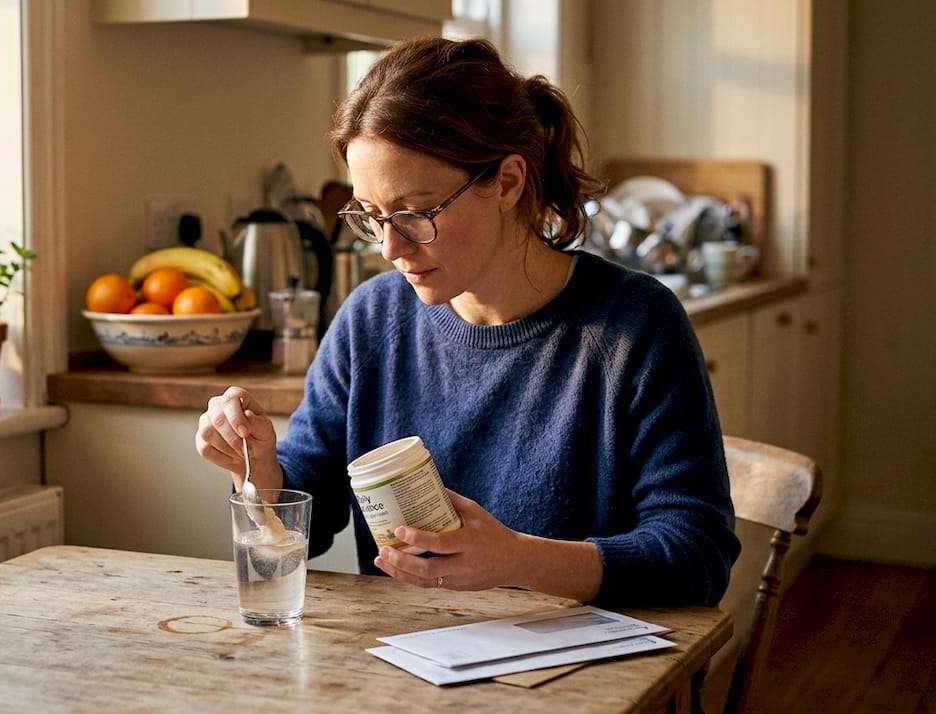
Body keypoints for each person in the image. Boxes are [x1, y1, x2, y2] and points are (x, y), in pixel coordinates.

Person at [195, 37, 739, 607]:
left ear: (507, 182)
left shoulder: (635, 326)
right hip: (405, 653)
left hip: (577, 658)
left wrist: (518, 560)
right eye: (371, 216)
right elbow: (307, 513)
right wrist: (257, 472)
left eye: (414, 213)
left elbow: (697, 556)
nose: (389, 247)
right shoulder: (371, 320)